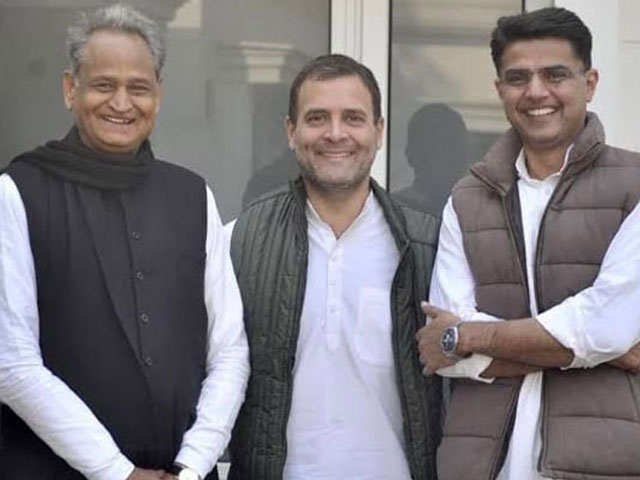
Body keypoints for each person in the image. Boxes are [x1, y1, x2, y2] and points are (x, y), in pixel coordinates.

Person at [0, 4, 249, 480]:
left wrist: (193, 465)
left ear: (158, 94)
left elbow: (230, 349)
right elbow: (11, 363)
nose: (121, 103)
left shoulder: (192, 196)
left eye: (138, 88)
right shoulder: (19, 193)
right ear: (70, 89)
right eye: (103, 85)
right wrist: (118, 472)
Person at [416, 7, 640, 480]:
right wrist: (597, 352)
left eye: (555, 74)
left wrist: (468, 336)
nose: (536, 92)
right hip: (482, 466)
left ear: (590, 83)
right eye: (518, 78)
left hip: (603, 464)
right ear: (500, 89)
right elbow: (445, 356)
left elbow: (605, 327)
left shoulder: (635, 186)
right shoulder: (467, 199)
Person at [226, 54, 442, 480]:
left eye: (353, 118)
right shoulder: (241, 240)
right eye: (317, 118)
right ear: (291, 131)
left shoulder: (426, 246)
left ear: (379, 131)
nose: (336, 133)